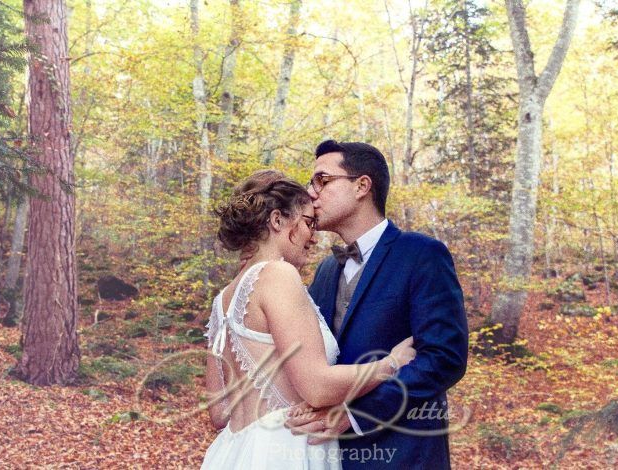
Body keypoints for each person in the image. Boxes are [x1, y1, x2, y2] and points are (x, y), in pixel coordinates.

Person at [200, 169, 416, 469]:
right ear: (277, 220)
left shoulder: (222, 299)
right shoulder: (277, 274)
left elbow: (219, 414)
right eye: (308, 223)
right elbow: (316, 386)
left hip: (235, 454)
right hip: (286, 450)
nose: (313, 237)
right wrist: (390, 364)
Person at [285, 140, 468, 469]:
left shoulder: (422, 254)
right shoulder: (326, 271)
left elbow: (444, 358)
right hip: (330, 456)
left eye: (322, 181)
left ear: (362, 186)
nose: (312, 193)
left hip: (404, 455)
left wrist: (355, 416)